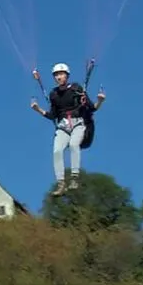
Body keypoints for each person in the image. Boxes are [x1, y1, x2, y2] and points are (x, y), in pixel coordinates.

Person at [31, 63, 106, 195]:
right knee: (57, 151)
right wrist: (38, 110)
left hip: (78, 123)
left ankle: (74, 178)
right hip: (63, 126)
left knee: (73, 145)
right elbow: (53, 115)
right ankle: (61, 183)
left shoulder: (76, 88)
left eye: (61, 74)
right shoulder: (54, 94)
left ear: (67, 75)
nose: (59, 77)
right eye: (56, 75)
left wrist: (100, 101)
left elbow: (92, 108)